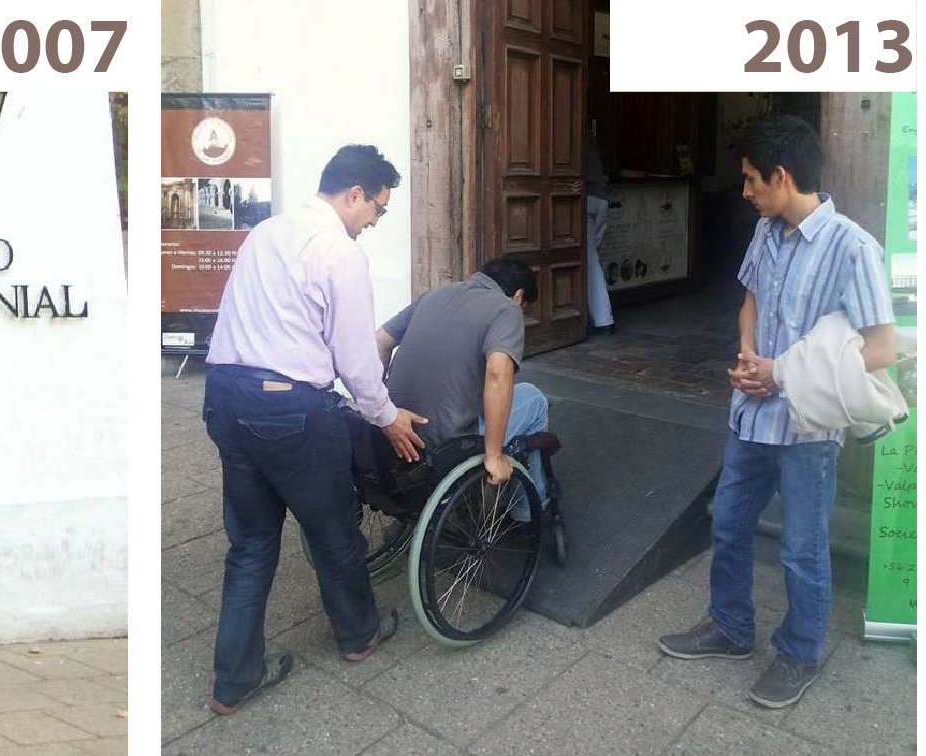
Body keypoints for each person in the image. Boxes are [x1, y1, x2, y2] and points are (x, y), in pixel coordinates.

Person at [657, 115, 896, 709]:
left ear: (782, 176)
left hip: (807, 426)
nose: (744, 192)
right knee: (729, 521)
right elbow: (751, 302)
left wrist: (781, 372)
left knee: (802, 547)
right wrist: (747, 357)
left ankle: (799, 653)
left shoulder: (853, 247)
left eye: (750, 180)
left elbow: (881, 348)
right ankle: (731, 628)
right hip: (751, 414)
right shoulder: (766, 233)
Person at [201, 144, 421, 715]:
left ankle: (234, 680)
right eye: (378, 209)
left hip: (224, 396)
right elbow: (353, 356)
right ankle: (359, 635)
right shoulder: (338, 252)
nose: (374, 222)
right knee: (333, 532)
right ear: (354, 194)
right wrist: (386, 415)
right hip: (290, 409)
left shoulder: (267, 231)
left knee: (249, 545)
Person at [373, 257, 562, 555]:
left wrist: (380, 402)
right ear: (518, 296)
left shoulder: (433, 296)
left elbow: (380, 342)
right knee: (534, 399)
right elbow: (498, 374)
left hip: (400, 426)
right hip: (448, 441)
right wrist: (493, 454)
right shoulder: (506, 310)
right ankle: (529, 511)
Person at [583, 123, 617, 336]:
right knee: (590, 258)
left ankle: (603, 319)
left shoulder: (570, 139)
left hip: (588, 200)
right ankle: (592, 315)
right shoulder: (590, 139)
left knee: (589, 261)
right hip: (601, 199)